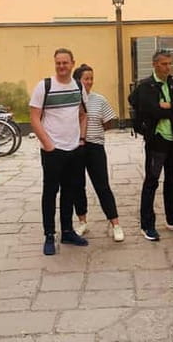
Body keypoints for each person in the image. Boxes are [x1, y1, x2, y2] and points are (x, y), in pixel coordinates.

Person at [30, 48, 89, 255]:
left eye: (65, 63)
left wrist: (81, 138)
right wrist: (48, 144)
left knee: (70, 191)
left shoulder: (77, 85)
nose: (61, 66)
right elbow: (34, 118)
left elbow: (83, 114)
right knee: (50, 192)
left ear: (73, 63)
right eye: (58, 63)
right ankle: (49, 235)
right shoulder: (44, 86)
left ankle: (67, 230)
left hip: (74, 148)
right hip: (53, 149)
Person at [135, 49, 173, 241]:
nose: (168, 67)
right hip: (157, 138)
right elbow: (153, 111)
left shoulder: (171, 82)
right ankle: (147, 224)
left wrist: (168, 105)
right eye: (164, 64)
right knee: (152, 180)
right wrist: (170, 106)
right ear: (155, 64)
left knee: (172, 179)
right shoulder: (147, 86)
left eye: (170, 64)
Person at [71, 64, 125, 242]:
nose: (89, 82)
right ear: (77, 80)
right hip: (76, 147)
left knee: (102, 185)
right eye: (86, 79)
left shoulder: (99, 100)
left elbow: (109, 120)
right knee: (77, 186)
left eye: (91, 78)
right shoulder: (70, 100)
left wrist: (97, 131)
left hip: (95, 146)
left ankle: (115, 223)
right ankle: (82, 221)